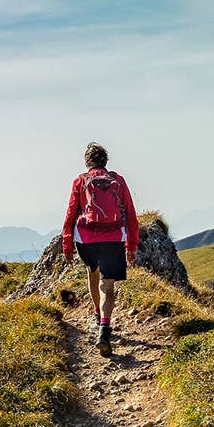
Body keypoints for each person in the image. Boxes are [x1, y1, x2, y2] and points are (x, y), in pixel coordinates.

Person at [60, 142, 139, 356]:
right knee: (108, 285)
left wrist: (67, 244)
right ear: (106, 161)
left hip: (85, 240)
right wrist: (131, 246)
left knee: (92, 272)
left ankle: (97, 313)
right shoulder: (118, 181)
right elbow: (130, 214)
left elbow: (70, 214)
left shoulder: (81, 181)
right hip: (113, 238)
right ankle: (105, 327)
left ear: (87, 162)